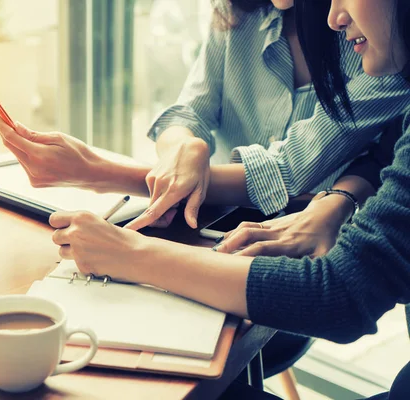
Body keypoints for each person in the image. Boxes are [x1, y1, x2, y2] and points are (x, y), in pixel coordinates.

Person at [48, 0, 410, 398]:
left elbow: (337, 286)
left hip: (282, 283)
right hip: (234, 240)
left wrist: (106, 192)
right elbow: (188, 112)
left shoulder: (370, 46)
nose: (335, 18)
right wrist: (183, 150)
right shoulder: (241, 13)